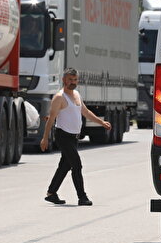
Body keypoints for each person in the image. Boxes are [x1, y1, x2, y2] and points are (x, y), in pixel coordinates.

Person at [39, 68, 110, 206]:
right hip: (63, 136)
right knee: (77, 165)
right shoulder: (59, 97)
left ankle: (51, 193)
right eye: (70, 79)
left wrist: (101, 122)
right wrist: (45, 138)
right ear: (63, 80)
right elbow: (51, 119)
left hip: (74, 137)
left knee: (65, 165)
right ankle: (82, 197)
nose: (73, 82)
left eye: (75, 79)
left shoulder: (77, 94)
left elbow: (86, 112)